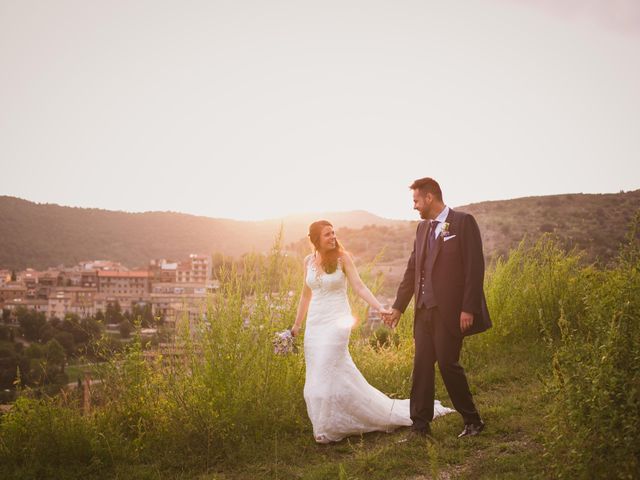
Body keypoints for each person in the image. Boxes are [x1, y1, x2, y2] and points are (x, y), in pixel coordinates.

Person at [292, 219, 453, 444]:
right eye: (327, 234)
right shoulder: (308, 261)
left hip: (337, 322)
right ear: (315, 240)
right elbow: (305, 295)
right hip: (314, 325)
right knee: (317, 376)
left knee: (327, 368)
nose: (332, 237)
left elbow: (359, 286)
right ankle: (325, 426)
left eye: (333, 232)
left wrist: (380, 307)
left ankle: (332, 427)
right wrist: (297, 325)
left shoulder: (342, 258)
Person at [384, 177, 492, 439]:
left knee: (447, 363)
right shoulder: (421, 230)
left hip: (451, 312)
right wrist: (399, 306)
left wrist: (469, 308)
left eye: (416, 201)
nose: (414, 207)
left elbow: (474, 269)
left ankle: (472, 420)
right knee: (421, 366)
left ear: (429, 198)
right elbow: (412, 270)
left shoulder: (463, 223)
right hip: (423, 312)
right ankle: (420, 426)